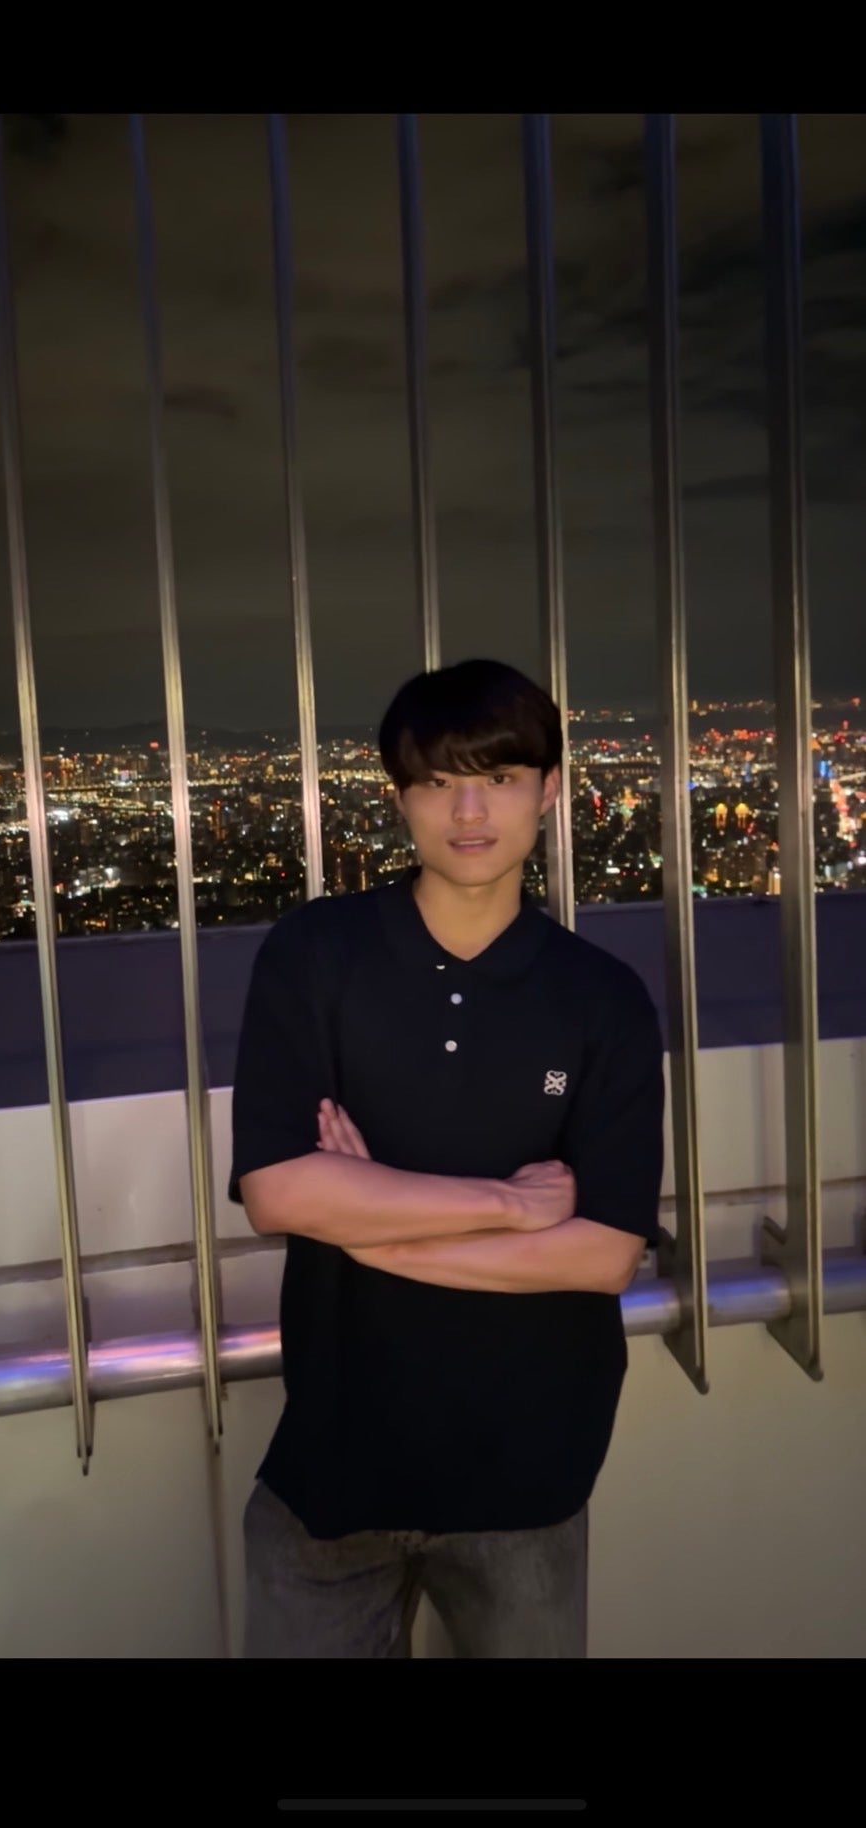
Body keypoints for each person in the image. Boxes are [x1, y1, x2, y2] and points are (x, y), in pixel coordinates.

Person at [229, 658, 664, 1659]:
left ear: (547, 790)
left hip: (530, 1475)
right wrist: (507, 1206)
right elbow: (278, 1190)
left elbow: (600, 1254)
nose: (468, 812)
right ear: (399, 798)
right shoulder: (318, 954)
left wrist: (371, 1229)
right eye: (436, 782)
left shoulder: (599, 998)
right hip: (331, 1467)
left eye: (498, 778)